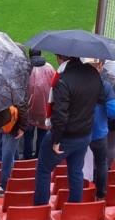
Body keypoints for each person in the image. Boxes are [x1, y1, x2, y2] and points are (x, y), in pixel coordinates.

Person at [33, 56, 106, 206]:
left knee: (43, 171)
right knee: (76, 172)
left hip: (67, 136)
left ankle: (40, 208)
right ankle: (74, 207)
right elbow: (100, 98)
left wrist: (56, 140)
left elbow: (60, 114)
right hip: (84, 134)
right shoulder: (93, 74)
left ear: (61, 59)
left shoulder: (64, 79)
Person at [84, 60, 115, 199]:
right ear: (100, 67)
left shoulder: (76, 84)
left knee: (76, 163)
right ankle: (100, 195)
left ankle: (79, 193)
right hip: (98, 133)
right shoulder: (105, 87)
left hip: (78, 132)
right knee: (101, 163)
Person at [0, 107, 22, 197]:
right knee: (8, 155)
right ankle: (3, 185)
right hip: (10, 125)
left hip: (1, 124)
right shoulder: (18, 94)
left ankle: (2, 185)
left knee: (6, 155)